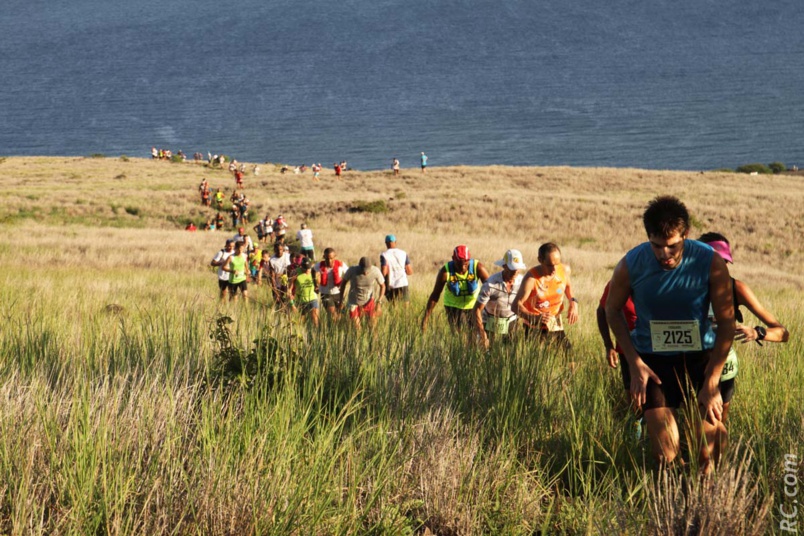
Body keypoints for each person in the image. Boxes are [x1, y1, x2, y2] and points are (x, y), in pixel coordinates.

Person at [604, 196, 734, 474]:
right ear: (648, 238)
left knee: (710, 454)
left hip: (701, 357)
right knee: (666, 456)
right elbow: (611, 311)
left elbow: (726, 322)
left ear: (685, 235)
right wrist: (634, 362)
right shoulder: (631, 264)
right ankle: (674, 499)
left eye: (673, 245)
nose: (665, 254)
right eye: (657, 246)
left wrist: (712, 380)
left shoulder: (709, 262)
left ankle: (710, 500)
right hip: (652, 360)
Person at [698, 232, 789, 422]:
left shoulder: (736, 288)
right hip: (685, 363)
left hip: (723, 367)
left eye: (723, 261)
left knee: (714, 425)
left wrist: (757, 332)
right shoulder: (681, 286)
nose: (718, 267)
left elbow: (782, 333)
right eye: (712, 261)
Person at [513, 243, 578, 352]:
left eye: (557, 264)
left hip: (555, 322)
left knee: (569, 355)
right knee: (537, 361)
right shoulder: (531, 279)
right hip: (534, 327)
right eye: (550, 265)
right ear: (540, 260)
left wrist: (573, 302)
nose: (554, 269)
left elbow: (568, 287)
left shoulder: (564, 270)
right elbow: (515, 306)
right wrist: (534, 318)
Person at [422, 245, 490, 332]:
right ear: (453, 259)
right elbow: (435, 294)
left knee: (475, 334)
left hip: (473, 305)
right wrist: (426, 318)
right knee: (460, 336)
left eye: (465, 264)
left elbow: (490, 289)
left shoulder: (478, 267)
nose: (462, 268)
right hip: (453, 306)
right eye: (458, 264)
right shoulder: (445, 272)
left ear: (469, 260)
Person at [473, 249, 526, 348]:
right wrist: (482, 334)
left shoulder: (523, 282)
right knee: (487, 353)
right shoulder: (490, 284)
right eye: (511, 269)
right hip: (489, 322)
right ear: (504, 266)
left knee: (509, 354)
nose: (514, 272)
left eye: (517, 269)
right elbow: (476, 310)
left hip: (511, 322)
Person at [597, 280, 638, 396]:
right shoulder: (620, 282)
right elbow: (601, 311)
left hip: (657, 348)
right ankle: (635, 414)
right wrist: (609, 346)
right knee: (633, 392)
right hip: (627, 348)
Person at [339, 257, 386, 330]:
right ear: (359, 266)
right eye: (363, 270)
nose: (365, 273)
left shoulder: (375, 271)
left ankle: (374, 341)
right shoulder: (352, 270)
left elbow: (383, 286)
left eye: (367, 271)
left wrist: (379, 302)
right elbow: (343, 284)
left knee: (373, 327)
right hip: (353, 302)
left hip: (369, 302)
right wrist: (341, 300)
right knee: (357, 329)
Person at [315, 248, 349, 320]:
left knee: (342, 315)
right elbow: (312, 271)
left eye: (331, 258)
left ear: (335, 257)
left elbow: (349, 274)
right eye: (327, 258)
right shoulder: (319, 265)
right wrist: (315, 284)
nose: (329, 261)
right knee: (333, 315)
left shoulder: (341, 265)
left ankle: (335, 329)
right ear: (324, 257)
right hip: (325, 294)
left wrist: (343, 283)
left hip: (338, 293)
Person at [380, 234, 412, 304]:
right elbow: (409, 272)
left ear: (386, 243)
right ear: (395, 242)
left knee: (394, 307)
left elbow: (384, 272)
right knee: (406, 307)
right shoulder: (403, 253)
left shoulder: (384, 255)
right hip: (403, 283)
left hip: (391, 285)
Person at [289, 257, 320, 327]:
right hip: (300, 300)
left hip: (312, 299)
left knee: (315, 319)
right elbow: (289, 290)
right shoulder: (295, 272)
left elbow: (319, 285)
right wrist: (292, 305)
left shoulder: (314, 272)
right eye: (305, 268)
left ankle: (317, 335)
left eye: (309, 268)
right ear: (301, 266)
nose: (307, 270)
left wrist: (318, 287)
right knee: (301, 324)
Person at [267, 243, 292, 309]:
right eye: (277, 250)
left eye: (281, 249)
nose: (279, 251)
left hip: (288, 284)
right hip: (278, 284)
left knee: (289, 301)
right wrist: (275, 290)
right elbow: (272, 276)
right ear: (274, 250)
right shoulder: (272, 260)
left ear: (283, 249)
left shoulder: (288, 256)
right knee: (278, 302)